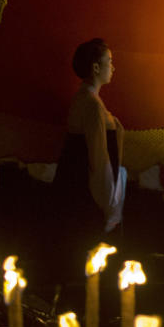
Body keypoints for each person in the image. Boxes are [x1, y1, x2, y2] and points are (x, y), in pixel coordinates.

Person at [54, 38, 126, 237]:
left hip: (82, 189)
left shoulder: (88, 100)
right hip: (86, 194)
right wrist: (109, 205)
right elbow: (99, 158)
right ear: (96, 67)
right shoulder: (91, 105)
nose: (113, 67)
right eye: (109, 61)